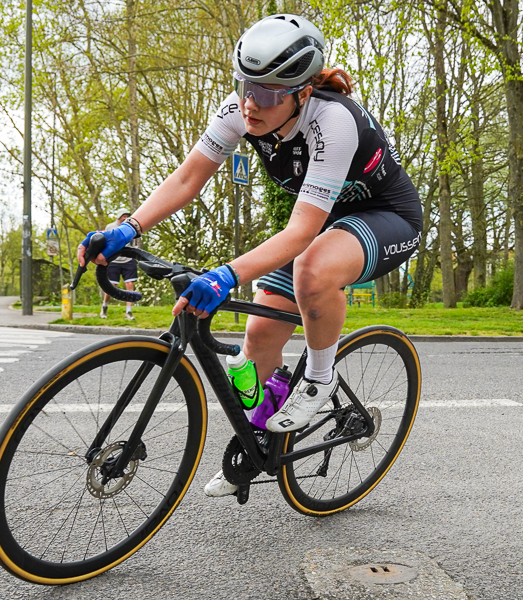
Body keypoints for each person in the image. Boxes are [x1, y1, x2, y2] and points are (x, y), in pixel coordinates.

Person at [77, 14, 422, 498]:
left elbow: (301, 231)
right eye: (244, 86)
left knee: (312, 268)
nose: (250, 103)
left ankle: (319, 380)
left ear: (301, 92)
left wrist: (224, 276)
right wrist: (127, 227)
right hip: (322, 222)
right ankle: (261, 442)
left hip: (386, 216)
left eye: (266, 93)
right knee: (259, 336)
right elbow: (187, 178)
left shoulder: (333, 120)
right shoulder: (241, 111)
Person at [100, 208, 139, 320]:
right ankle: (104, 307)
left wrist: (135, 256)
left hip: (128, 260)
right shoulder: (110, 227)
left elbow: (134, 244)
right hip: (114, 260)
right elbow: (105, 242)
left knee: (129, 285)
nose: (125, 218)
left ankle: (129, 312)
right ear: (119, 217)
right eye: (123, 216)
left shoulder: (132, 228)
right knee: (111, 286)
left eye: (127, 216)